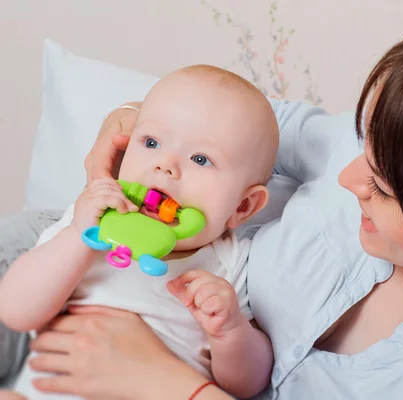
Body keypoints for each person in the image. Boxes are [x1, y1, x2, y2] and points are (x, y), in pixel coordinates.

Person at [2, 23, 403, 400]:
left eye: (385, 187)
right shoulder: (348, 153)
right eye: (366, 143)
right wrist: (138, 128)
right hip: (65, 279)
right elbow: (246, 121)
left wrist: (174, 388)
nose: (347, 177)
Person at [0, 65, 279, 399]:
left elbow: (247, 385)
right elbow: (15, 311)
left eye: (201, 159)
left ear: (242, 207)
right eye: (150, 142)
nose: (165, 165)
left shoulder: (229, 265)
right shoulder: (91, 218)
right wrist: (78, 236)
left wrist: (231, 331)